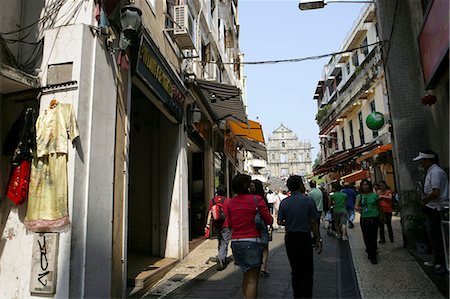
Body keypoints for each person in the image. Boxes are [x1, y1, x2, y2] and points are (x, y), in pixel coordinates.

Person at [227, 174, 273, 298]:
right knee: (253, 280)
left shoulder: (230, 202)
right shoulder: (257, 200)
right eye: (250, 182)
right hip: (252, 242)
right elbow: (269, 220)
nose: (252, 184)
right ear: (246, 185)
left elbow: (229, 223)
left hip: (236, 243)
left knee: (246, 275)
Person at [278, 175, 322, 298]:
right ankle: (307, 295)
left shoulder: (284, 202)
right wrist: (318, 239)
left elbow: (280, 221)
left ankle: (297, 295)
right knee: (307, 269)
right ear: (300, 185)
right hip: (304, 237)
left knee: (295, 269)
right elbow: (314, 222)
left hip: (290, 238)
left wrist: (291, 222)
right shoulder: (308, 201)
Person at [413, 150, 449, 274]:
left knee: (439, 237)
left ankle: (442, 263)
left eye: (422, 161)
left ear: (428, 160)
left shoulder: (436, 173)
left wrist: (425, 199)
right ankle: (438, 260)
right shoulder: (431, 172)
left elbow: (436, 192)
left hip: (437, 209)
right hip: (432, 208)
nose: (420, 164)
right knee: (434, 237)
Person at [205, 185, 231, 271]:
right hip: (226, 224)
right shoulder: (228, 201)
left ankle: (221, 256)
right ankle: (221, 258)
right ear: (225, 192)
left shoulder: (212, 201)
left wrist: (208, 224)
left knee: (220, 241)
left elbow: (210, 213)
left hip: (216, 224)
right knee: (225, 242)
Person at [250, 179, 273, 277]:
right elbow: (267, 213)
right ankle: (263, 266)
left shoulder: (250, 198)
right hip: (262, 225)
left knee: (256, 246)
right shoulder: (262, 198)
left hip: (252, 226)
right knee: (264, 247)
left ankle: (257, 266)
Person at [355, 179, 381, 264]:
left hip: (374, 218)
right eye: (363, 185)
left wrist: (382, 216)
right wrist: (360, 208)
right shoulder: (360, 196)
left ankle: (373, 255)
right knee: (366, 237)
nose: (365, 186)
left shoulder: (374, 195)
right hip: (364, 219)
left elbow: (379, 206)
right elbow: (356, 206)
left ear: (369, 185)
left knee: (373, 237)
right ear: (361, 187)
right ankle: (369, 250)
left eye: (367, 184)